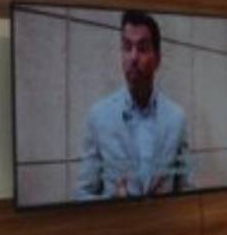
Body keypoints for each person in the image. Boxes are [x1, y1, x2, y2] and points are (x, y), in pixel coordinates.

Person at [76, 10, 193, 200]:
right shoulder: (98, 117)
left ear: (157, 59)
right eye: (127, 47)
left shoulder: (176, 118)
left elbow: (188, 191)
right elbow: (83, 193)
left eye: (143, 48)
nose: (133, 57)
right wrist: (114, 206)